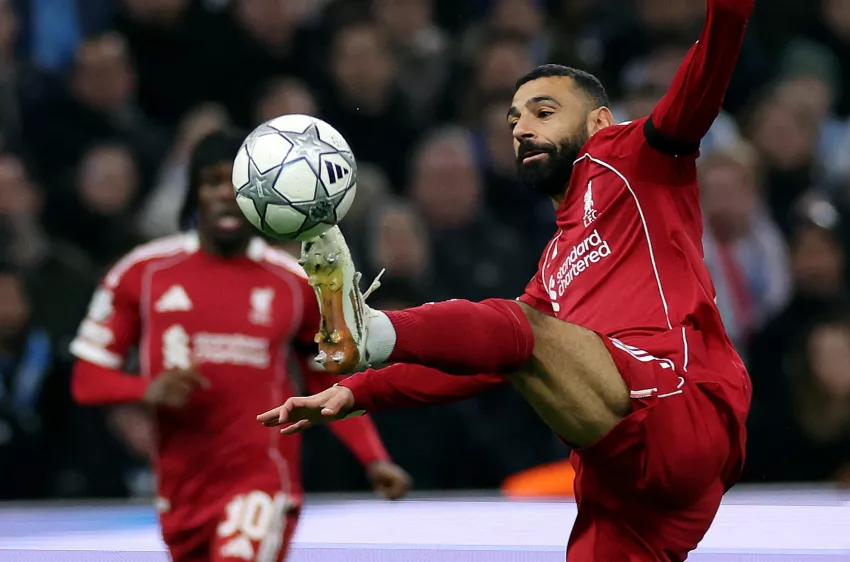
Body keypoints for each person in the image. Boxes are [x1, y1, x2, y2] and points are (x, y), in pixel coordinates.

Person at [261, 0, 754, 559]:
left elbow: (703, 83)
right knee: (518, 333)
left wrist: (728, 12)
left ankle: (370, 331)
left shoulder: (636, 157)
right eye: (513, 119)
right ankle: (368, 346)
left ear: (599, 121)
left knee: (522, 325)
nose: (520, 128)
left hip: (679, 404)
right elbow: (482, 363)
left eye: (543, 111)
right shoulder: (554, 266)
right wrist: (357, 391)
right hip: (627, 487)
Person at [69, 130, 411, 562]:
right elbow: (86, 379)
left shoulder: (295, 282)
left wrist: (373, 457)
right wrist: (146, 391)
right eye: (213, 182)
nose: (226, 197)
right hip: (182, 493)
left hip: (262, 482)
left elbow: (324, 376)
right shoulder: (143, 273)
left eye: (240, 186)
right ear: (194, 190)